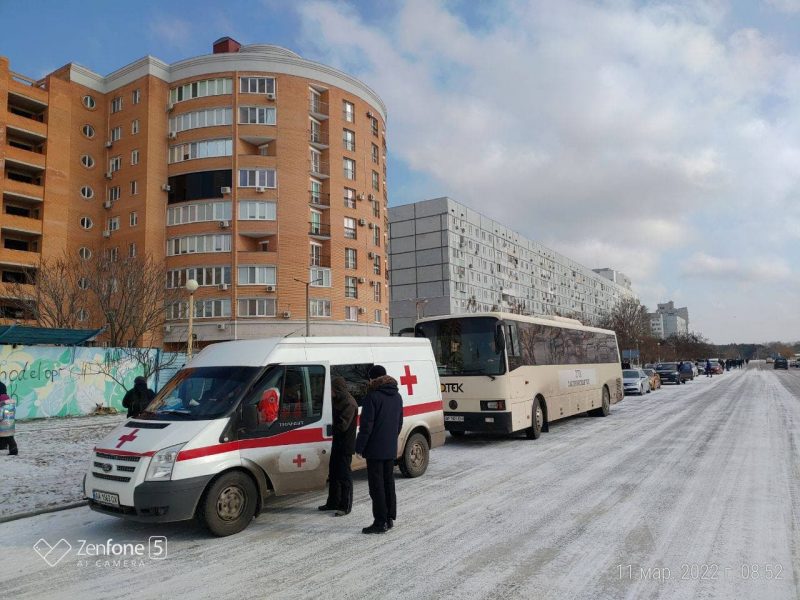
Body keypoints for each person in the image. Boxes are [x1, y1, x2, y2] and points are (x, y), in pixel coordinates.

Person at [355, 365, 403, 534]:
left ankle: (379, 521)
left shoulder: (372, 397)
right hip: (389, 448)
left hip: (375, 449)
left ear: (372, 379)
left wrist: (359, 446)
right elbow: (399, 424)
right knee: (388, 483)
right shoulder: (397, 396)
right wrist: (390, 440)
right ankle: (389, 519)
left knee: (377, 487)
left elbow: (366, 426)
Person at [318, 377, 357, 516]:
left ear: (338, 389)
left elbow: (343, 425)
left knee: (344, 476)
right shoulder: (337, 400)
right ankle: (333, 502)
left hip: (345, 445)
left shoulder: (349, 403)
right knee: (333, 474)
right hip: (336, 443)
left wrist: (327, 428)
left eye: (332, 389)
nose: (330, 392)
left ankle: (345, 506)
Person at [0, 382, 17, 456]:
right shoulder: (7, 399)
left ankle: (12, 449)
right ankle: (13, 449)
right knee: (9, 436)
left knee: (6, 435)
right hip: (9, 420)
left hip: (3, 420)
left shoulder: (1, 401)